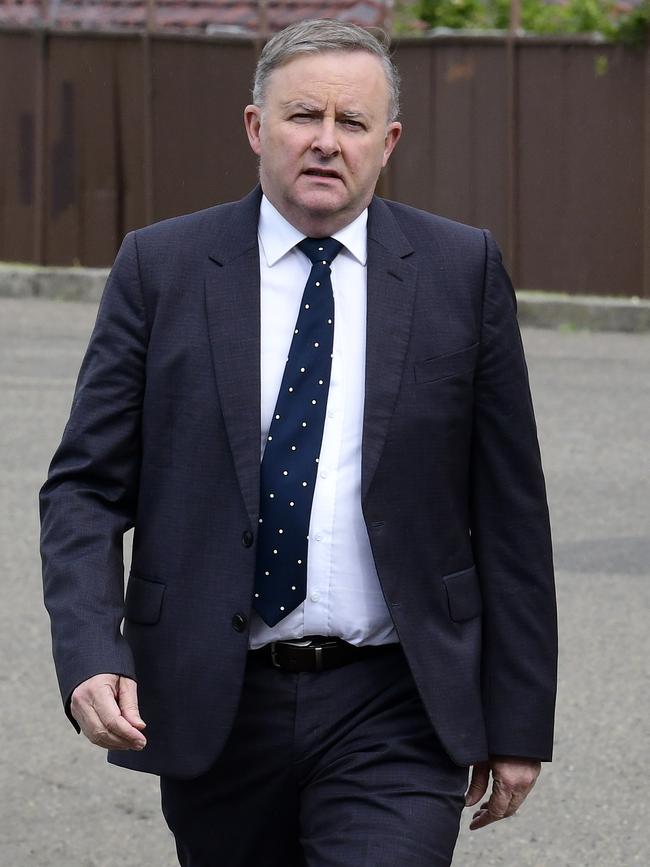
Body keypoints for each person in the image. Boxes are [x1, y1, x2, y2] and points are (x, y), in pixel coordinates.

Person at [40, 18, 557, 867]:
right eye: (301, 117)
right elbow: (86, 488)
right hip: (215, 695)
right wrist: (91, 650)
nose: (325, 142)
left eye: (351, 124)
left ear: (387, 142)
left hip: (396, 698)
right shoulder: (161, 267)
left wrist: (519, 718)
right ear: (255, 127)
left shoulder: (459, 271)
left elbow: (511, 511)